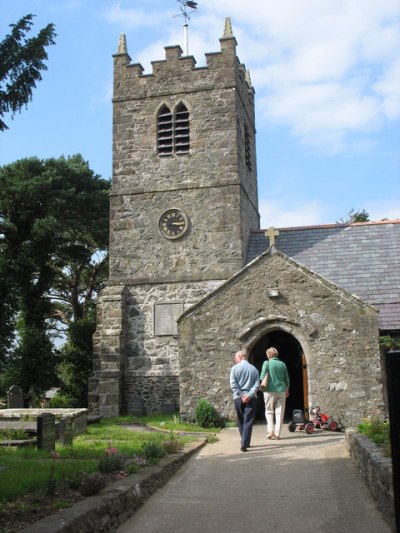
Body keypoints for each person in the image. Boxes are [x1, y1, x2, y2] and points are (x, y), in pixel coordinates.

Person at [229, 350, 260, 452]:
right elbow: (257, 384)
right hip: (252, 398)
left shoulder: (234, 368)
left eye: (236, 357)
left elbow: (233, 384)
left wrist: (242, 395)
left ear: (241, 357)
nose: (235, 359)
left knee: (241, 420)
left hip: (238, 398)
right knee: (248, 420)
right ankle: (245, 442)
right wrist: (249, 395)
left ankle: (244, 441)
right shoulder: (254, 369)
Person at [260, 346, 290, 440]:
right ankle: (277, 434)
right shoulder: (282, 364)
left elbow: (262, 377)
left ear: (268, 355)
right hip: (281, 391)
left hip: (269, 391)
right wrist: (287, 390)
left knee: (269, 411)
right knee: (279, 413)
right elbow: (287, 380)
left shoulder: (266, 363)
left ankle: (270, 430)